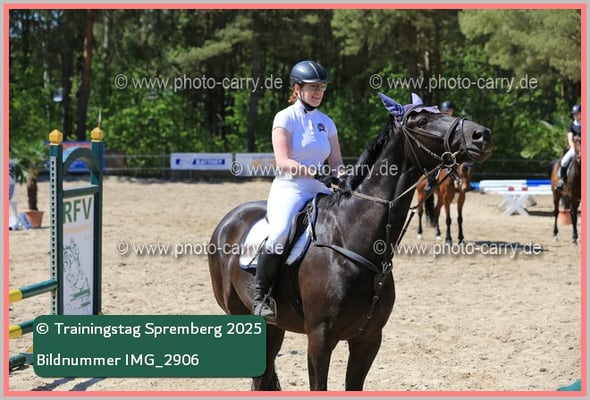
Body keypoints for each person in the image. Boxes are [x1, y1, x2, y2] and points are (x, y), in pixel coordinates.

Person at [253, 60, 345, 321]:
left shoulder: (327, 122)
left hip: (321, 190)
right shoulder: (285, 118)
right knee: (280, 232)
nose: (318, 92)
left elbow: (336, 162)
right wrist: (317, 174)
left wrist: (344, 178)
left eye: (322, 87)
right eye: (313, 86)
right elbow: (283, 161)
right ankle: (262, 296)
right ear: (297, 88)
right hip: (290, 189)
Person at [556, 104, 582, 191]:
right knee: (564, 161)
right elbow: (570, 138)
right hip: (575, 148)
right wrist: (573, 148)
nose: (575, 115)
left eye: (577, 113)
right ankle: (562, 180)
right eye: (574, 114)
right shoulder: (572, 124)